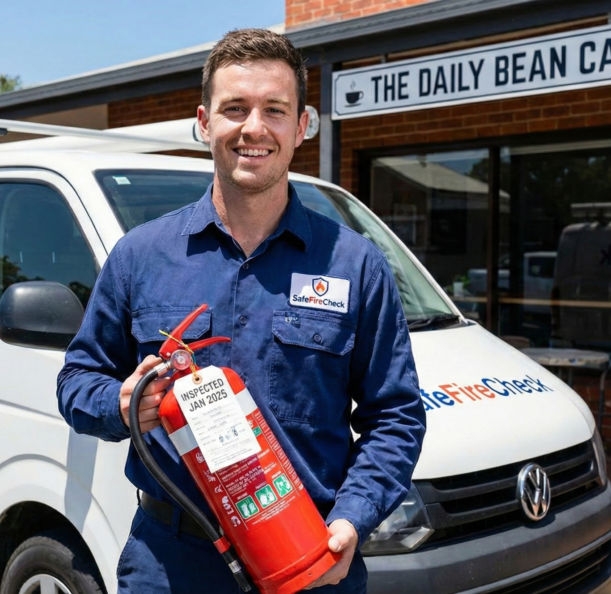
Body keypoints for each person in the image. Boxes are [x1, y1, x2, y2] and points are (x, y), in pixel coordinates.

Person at [57, 28, 425, 593]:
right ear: (204, 122)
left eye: (274, 110)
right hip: (172, 564)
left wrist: (353, 517)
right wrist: (122, 403)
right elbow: (78, 382)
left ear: (301, 126)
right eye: (235, 109)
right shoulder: (140, 255)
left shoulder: (354, 263)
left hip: (307, 555)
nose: (254, 128)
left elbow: (395, 415)